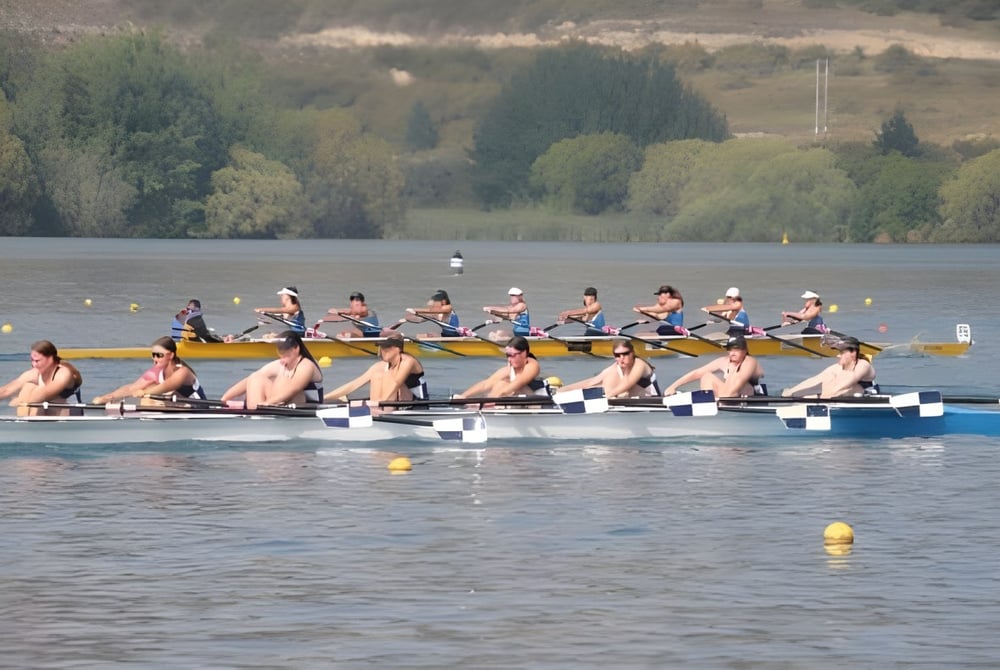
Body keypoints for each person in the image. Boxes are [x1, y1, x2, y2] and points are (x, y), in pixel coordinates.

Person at [221, 331, 323, 410]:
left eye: (286, 356)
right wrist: (225, 398)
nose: (282, 360)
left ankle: (257, 411)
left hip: (303, 406)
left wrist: (267, 403)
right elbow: (249, 379)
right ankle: (255, 412)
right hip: (279, 404)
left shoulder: (306, 365)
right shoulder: (282, 364)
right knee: (256, 377)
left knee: (286, 382)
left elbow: (294, 389)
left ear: (296, 349)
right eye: (281, 356)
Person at [92, 336, 207, 404]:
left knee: (149, 394)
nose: (155, 359)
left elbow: (165, 387)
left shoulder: (182, 372)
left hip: (198, 408)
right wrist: (107, 398)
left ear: (171, 355)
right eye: (153, 355)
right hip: (177, 408)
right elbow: (131, 388)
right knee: (147, 390)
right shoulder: (155, 373)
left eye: (159, 355)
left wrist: (145, 393)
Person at [324, 336, 428, 409]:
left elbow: (396, 384)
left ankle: (380, 408)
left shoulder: (408, 361)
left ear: (397, 349)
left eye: (387, 348)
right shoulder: (381, 365)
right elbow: (355, 384)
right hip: (389, 402)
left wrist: (380, 404)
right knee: (377, 374)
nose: (382, 351)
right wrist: (324, 398)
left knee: (387, 376)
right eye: (382, 348)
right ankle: (377, 409)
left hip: (417, 402)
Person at [663, 335, 765, 398]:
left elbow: (736, 385)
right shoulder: (723, 361)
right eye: (730, 349)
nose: (732, 353)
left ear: (745, 350)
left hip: (748, 398)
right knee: (707, 376)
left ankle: (713, 404)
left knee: (735, 384)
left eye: (737, 349)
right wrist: (672, 387)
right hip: (727, 398)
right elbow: (696, 373)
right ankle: (708, 404)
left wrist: (723, 397)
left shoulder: (749, 362)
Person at [0, 340, 83, 416]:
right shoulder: (33, 373)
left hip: (71, 415)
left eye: (37, 361)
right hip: (45, 411)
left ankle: (29, 425)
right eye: (32, 360)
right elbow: (6, 391)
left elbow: (43, 394)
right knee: (28, 386)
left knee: (32, 390)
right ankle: (25, 426)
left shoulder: (63, 373)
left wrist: (21, 401)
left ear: (50, 359)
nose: (33, 365)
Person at [558, 339, 661, 398]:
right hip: (631, 405)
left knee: (621, 393)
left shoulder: (639, 364)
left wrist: (608, 395)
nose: (621, 358)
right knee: (604, 380)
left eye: (625, 354)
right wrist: (563, 390)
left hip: (652, 403)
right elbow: (593, 382)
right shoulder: (616, 367)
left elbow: (627, 383)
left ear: (632, 353)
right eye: (618, 355)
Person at [453, 335, 548, 399]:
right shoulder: (509, 368)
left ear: (524, 353)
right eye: (508, 355)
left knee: (504, 384)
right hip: (519, 400)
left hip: (539, 401)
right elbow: (486, 384)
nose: (510, 359)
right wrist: (463, 397)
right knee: (499, 382)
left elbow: (517, 383)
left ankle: (489, 407)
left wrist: (488, 402)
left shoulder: (532, 365)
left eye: (513, 355)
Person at [781, 336, 877, 398]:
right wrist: (792, 391)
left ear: (853, 353)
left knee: (847, 387)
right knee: (828, 376)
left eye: (841, 353)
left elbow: (849, 381)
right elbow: (815, 379)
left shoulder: (863, 365)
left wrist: (825, 396)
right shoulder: (837, 367)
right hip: (837, 395)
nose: (838, 356)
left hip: (863, 393)